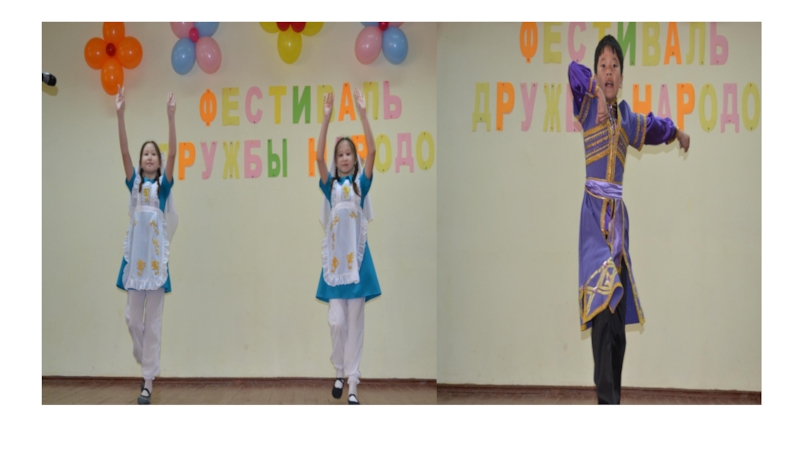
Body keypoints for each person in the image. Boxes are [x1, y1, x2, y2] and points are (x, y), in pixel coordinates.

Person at [568, 36, 690, 404]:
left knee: (617, 325)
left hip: (618, 226)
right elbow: (573, 71)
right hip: (593, 222)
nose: (608, 71)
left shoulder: (627, 121)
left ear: (622, 78)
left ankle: (613, 401)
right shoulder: (588, 106)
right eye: (603, 65)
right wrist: (593, 92)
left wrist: (677, 133)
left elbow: (653, 127)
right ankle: (607, 404)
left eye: (614, 66)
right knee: (603, 313)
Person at [315, 88, 380, 405]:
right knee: (336, 322)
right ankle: (339, 369)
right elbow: (317, 157)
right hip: (335, 267)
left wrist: (363, 113)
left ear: (354, 159)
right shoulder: (330, 186)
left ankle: (352, 382)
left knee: (355, 325)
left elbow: (374, 150)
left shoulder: (360, 185)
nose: (343, 158)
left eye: (348, 154)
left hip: (358, 268)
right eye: (339, 154)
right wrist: (326, 118)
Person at [114, 86, 179, 404]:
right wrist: (120, 115)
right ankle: (145, 360)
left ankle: (148, 381)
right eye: (146, 154)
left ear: (159, 160)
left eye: (154, 153)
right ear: (141, 161)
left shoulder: (162, 188)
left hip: (155, 265)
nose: (149, 156)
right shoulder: (135, 184)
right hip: (135, 263)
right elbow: (124, 152)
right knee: (131, 318)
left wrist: (171, 117)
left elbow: (174, 155)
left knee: (153, 324)